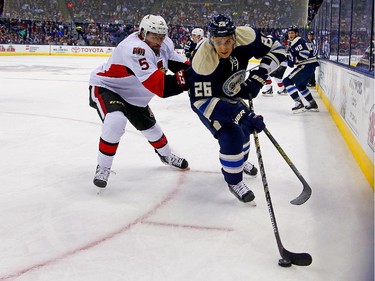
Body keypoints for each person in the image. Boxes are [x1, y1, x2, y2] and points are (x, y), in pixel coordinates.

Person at [187, 14, 286, 203]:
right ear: (210, 40)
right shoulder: (202, 60)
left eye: (227, 41)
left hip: (232, 93)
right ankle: (234, 182)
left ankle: (239, 161)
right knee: (232, 135)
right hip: (209, 100)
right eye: (218, 42)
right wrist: (240, 114)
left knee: (246, 130)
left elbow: (277, 49)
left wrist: (261, 74)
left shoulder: (246, 36)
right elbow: (201, 101)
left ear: (234, 37)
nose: (223, 47)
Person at [89, 14, 190, 190]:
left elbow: (179, 64)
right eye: (154, 36)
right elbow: (161, 87)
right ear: (143, 33)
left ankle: (166, 156)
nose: (158, 41)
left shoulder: (164, 43)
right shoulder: (135, 49)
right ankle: (103, 167)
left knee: (152, 130)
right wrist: (191, 79)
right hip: (108, 87)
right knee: (115, 121)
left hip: (135, 96)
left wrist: (202, 73)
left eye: (161, 36)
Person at [283, 25, 319, 113]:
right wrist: (290, 60)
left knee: (287, 81)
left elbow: (304, 54)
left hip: (306, 66)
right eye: (289, 33)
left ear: (296, 33)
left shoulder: (298, 41)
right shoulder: (294, 43)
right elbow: (293, 61)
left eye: (292, 33)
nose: (290, 35)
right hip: (309, 66)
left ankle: (299, 103)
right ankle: (312, 104)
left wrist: (293, 60)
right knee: (301, 86)